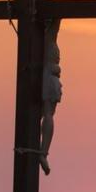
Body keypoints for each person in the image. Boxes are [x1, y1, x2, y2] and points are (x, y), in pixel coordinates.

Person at [39, 18, 62, 175]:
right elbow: (58, 19)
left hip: (49, 78)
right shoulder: (46, 37)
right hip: (47, 78)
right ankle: (43, 153)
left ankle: (43, 152)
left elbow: (57, 21)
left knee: (47, 114)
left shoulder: (47, 37)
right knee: (47, 114)